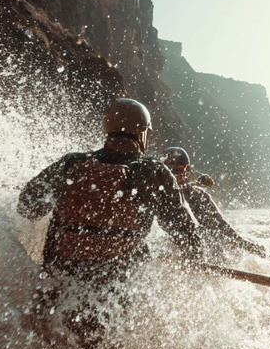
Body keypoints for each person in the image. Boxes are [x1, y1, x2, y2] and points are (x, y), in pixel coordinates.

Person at [17, 99, 202, 285]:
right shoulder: (155, 171)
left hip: (58, 276)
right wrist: (195, 258)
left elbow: (27, 207)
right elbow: (183, 228)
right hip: (118, 284)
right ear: (141, 132)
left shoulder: (71, 163)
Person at [162, 147, 266, 260]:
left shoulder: (198, 195)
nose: (183, 175)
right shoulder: (158, 196)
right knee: (202, 234)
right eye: (178, 171)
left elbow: (220, 224)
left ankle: (223, 260)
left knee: (212, 235)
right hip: (172, 246)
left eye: (185, 171)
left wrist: (244, 244)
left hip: (199, 248)